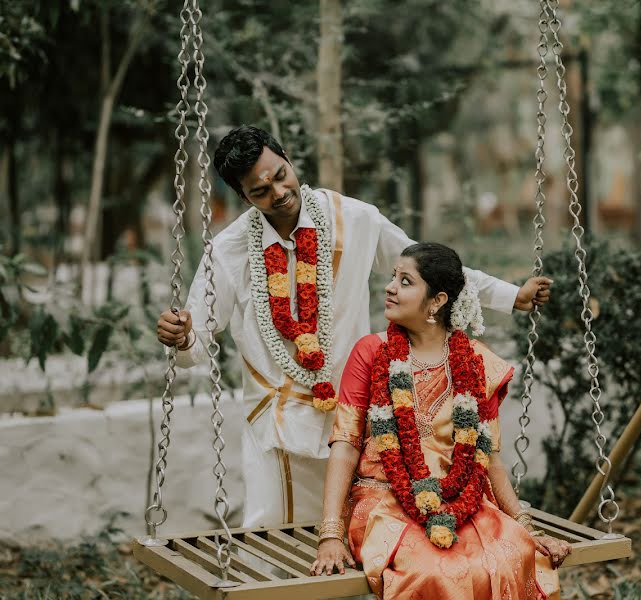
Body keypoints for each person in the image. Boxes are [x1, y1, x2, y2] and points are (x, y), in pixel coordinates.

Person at [155, 126, 552, 527]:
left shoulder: (355, 219)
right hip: (276, 426)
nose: (277, 193)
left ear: (288, 158)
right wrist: (182, 335)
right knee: (274, 533)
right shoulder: (228, 251)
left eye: (280, 175)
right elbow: (197, 339)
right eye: (260, 191)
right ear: (243, 198)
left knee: (360, 535)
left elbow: (430, 271)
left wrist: (509, 295)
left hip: (355, 418)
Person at [312, 242, 569, 599]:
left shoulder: (477, 361)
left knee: (510, 557)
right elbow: (344, 445)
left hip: (464, 500)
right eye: (393, 278)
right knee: (436, 572)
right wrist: (329, 534)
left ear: (436, 301)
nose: (390, 287)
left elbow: (490, 458)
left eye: (405, 281)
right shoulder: (371, 352)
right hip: (385, 503)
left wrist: (526, 526)